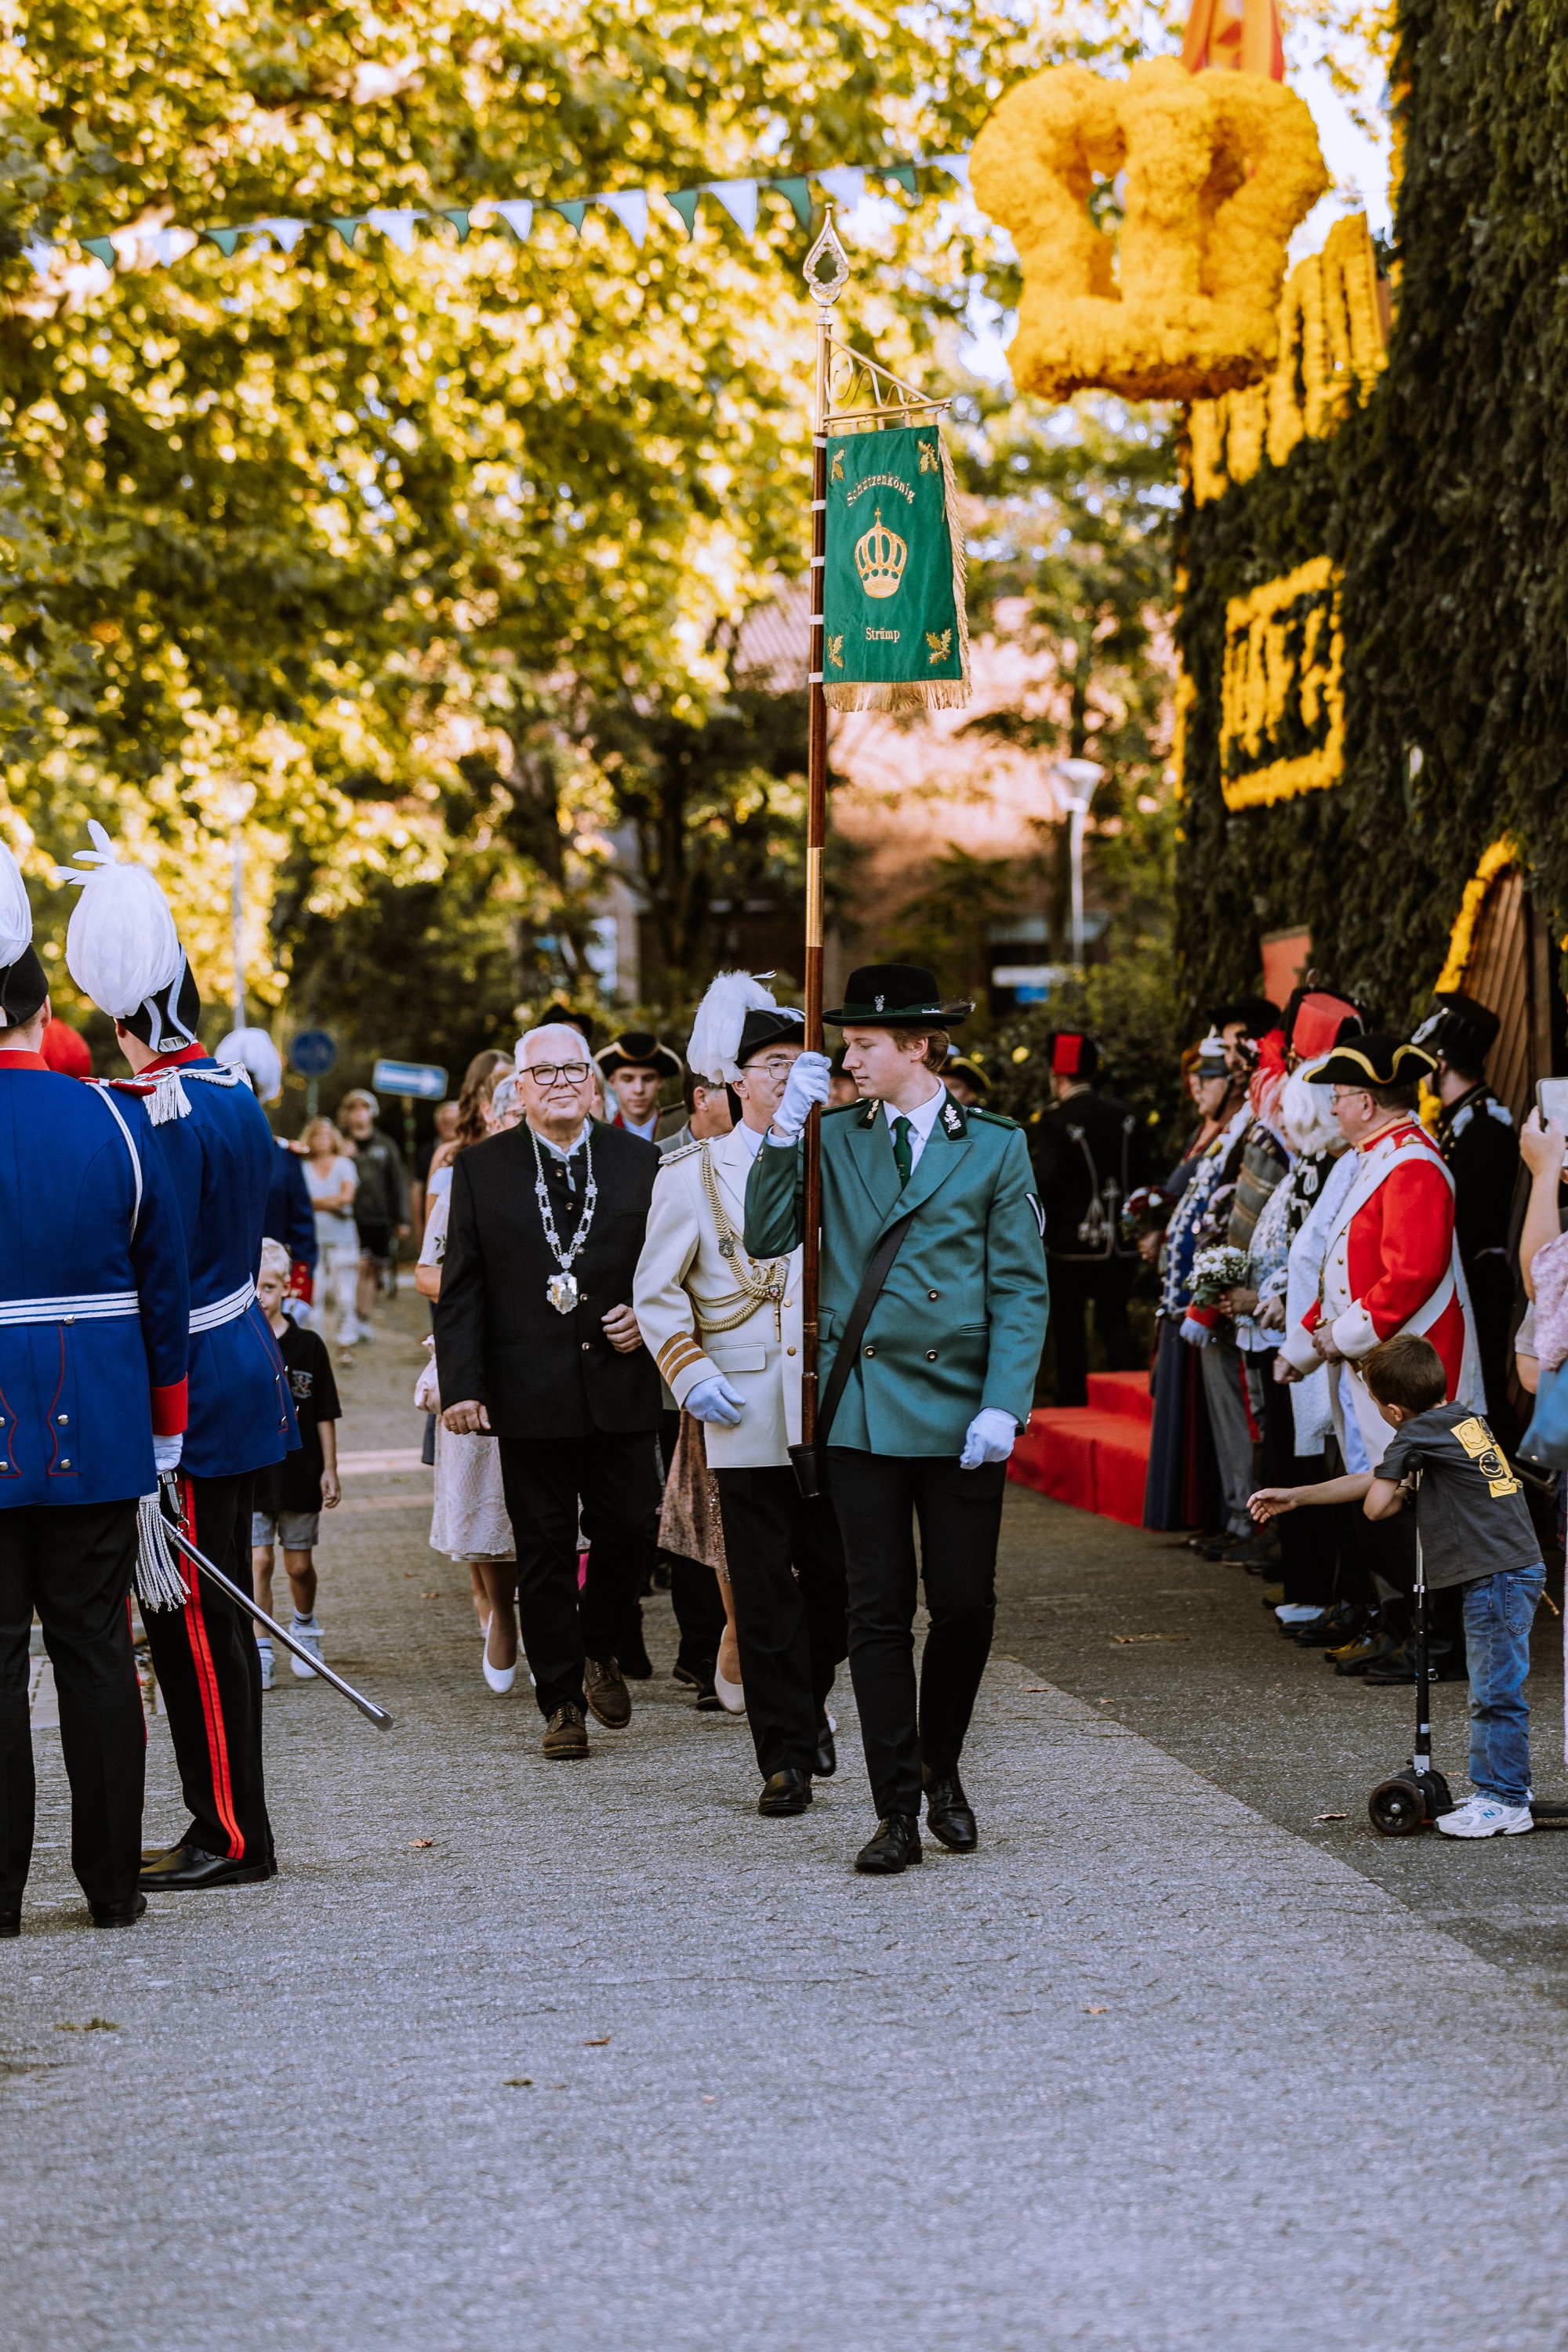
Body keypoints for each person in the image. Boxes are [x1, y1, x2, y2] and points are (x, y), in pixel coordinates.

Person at [745, 964, 1051, 1875]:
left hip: (961, 1411)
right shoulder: (831, 1135)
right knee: (876, 1613)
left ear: (918, 1046)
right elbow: (766, 1235)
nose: (846, 1060)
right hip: (864, 1408)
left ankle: (937, 1762)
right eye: (845, 1045)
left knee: (962, 1605)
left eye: (864, 1045)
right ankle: (896, 1811)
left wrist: (1004, 1402)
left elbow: (1019, 1286)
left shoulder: (992, 1145)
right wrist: (781, 1132)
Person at [64, 821, 296, 1894]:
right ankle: (227, 1819)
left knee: (193, 1621)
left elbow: (152, 1279)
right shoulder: (233, 1091)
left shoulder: (150, 1111)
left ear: (121, 1020)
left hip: (191, 1389)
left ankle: (233, 1834)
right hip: (242, 1364)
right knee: (212, 1612)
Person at [0, 844, 190, 1934]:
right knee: (95, 1656)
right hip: (101, 1433)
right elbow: (164, 1299)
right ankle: (113, 1890)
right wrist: (165, 1436)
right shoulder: (118, 1118)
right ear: (42, 1013)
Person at [636, 971, 847, 1815]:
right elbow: (657, 1294)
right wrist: (692, 1375)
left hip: (832, 1404)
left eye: (802, 1062)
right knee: (761, 1591)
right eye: (773, 1064)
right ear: (736, 1079)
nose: (789, 1076)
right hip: (743, 1402)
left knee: (839, 1583)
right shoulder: (692, 1172)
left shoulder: (840, 1159)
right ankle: (783, 1757)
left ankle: (807, 1695)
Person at [435, 1022, 663, 1759]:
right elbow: (461, 1287)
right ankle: (561, 1701)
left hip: (621, 1382)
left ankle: (600, 1646)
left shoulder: (641, 1161)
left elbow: (671, 1266)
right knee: (544, 1552)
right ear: (521, 1088)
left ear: (592, 1084)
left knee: (630, 1528)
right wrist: (462, 1385)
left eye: (574, 1070)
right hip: (526, 1389)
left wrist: (649, 1315)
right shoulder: (481, 1169)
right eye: (546, 1072)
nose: (562, 1083)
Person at [1251, 1331, 1544, 1836]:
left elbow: (1376, 1505)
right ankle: (1502, 1787)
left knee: (1494, 1692)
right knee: (1495, 1686)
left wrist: (1404, 1489)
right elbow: (1376, 1478)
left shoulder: (1414, 1434)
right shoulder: (1461, 1419)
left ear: (1392, 1410)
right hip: (1512, 1568)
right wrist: (1298, 1496)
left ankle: (1505, 1798)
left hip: (1495, 1576)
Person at [1276, 1031, 1484, 1682]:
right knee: (1386, 1498)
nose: (1334, 1108)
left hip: (1416, 1368)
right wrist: (1311, 1343)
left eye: (1339, 1096)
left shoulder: (1412, 1163)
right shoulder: (1383, 1156)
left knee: (1416, 1503)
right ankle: (1404, 1630)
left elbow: (1411, 1274)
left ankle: (1437, 1645)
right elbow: (1345, 1269)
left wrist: (1337, 1338)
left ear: (1367, 1102)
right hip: (1384, 1363)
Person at [415, 1073, 520, 1690]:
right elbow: (426, 1272)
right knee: (489, 1500)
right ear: (497, 1119)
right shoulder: (464, 1181)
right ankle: (502, 1613)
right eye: (514, 1116)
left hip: (560, 1360)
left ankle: (566, 1625)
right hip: (483, 1354)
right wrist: (481, 1289)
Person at [1414, 992, 1520, 1446]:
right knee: (1466, 1394)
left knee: (1484, 1397)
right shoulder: (1462, 1119)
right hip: (1465, 1280)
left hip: (1479, 1278)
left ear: (1441, 1064)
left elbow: (1470, 1221)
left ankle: (1505, 1482)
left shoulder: (1484, 1124)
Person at [1029, 1032, 1145, 1406]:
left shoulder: (1053, 1120)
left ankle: (1073, 1404)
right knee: (1115, 1321)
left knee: (1069, 1326)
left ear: (1057, 1075)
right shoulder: (1126, 1115)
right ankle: (1135, 1405)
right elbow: (1142, 1175)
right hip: (1122, 1240)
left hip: (1070, 1243)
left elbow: (1047, 1181)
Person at [250, 1240, 340, 1690]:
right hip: (253, 1473)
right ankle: (261, 1646)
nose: (261, 1296)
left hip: (300, 1472)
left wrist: (330, 1468)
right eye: (253, 1287)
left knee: (298, 1566)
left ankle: (304, 1626)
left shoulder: (309, 1346)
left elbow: (324, 1411)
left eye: (269, 1287)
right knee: (259, 1560)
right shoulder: (241, 1344)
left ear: (287, 1287)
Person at [217, 1028, 318, 1315]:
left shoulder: (285, 1157)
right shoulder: (210, 1152)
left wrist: (299, 1291)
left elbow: (302, 1229)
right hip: (219, 1288)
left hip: (272, 1289)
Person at [337, 1089, 410, 1332]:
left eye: (364, 1108)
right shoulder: (339, 1143)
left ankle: (363, 1318)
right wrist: (340, 1156)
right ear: (346, 1114)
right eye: (354, 1108)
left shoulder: (385, 1145)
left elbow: (398, 1183)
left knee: (372, 1268)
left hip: (379, 1217)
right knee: (356, 1266)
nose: (359, 1113)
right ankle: (350, 1317)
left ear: (372, 1112)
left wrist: (402, 1218)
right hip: (348, 1217)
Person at [302, 1117, 361, 1362]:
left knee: (345, 1294)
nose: (321, 1140)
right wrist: (331, 1203)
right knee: (314, 1294)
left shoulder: (344, 1165)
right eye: (316, 1135)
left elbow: (346, 1198)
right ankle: (316, 1345)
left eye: (326, 1135)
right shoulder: (303, 1166)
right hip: (312, 1239)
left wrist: (314, 1204)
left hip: (342, 1239)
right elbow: (299, 1200)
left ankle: (346, 1341)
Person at [594, 1030, 683, 1144]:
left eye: (648, 1079)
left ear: (660, 1081)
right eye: (627, 1079)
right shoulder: (601, 1136)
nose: (638, 1089)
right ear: (612, 1082)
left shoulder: (680, 1131)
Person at [412, 1098, 459, 1235]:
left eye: (454, 1121)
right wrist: (420, 1227)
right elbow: (417, 1189)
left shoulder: (472, 1150)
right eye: (446, 1122)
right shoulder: (427, 1152)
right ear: (438, 1125)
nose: (450, 1126)